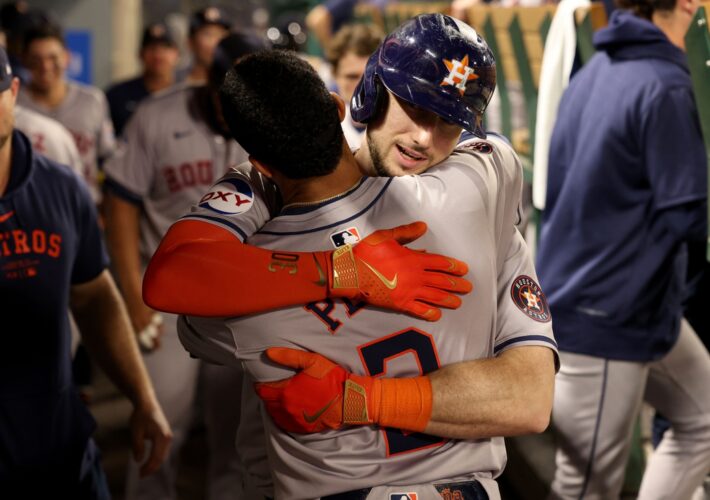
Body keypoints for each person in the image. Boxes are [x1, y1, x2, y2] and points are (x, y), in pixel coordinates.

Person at [151, 15, 557, 499]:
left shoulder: (255, 251)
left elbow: (530, 400)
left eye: (449, 122)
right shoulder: (485, 182)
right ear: (364, 94)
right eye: (413, 106)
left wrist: (356, 399)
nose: (425, 138)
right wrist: (343, 268)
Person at [535, 0, 710, 497]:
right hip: (605, 313)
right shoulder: (663, 82)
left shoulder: (598, 69)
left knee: (704, 417)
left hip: (611, 298)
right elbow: (690, 215)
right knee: (586, 487)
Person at [0, 45, 172, 497]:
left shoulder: (60, 188)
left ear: (13, 92)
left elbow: (94, 296)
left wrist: (143, 397)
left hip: (61, 452)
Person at [102, 32, 267, 500]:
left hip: (242, 306)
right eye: (221, 94)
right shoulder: (158, 115)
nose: (228, 107)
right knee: (157, 427)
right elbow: (119, 202)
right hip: (168, 301)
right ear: (207, 82)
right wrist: (133, 297)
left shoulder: (272, 120)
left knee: (237, 440)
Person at [18, 21, 115, 203]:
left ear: (66, 57)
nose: (45, 66)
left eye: (53, 58)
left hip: (85, 204)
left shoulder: (92, 100)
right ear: (24, 60)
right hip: (31, 207)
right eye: (36, 59)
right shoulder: (13, 105)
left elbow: (108, 160)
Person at [105, 21, 180, 137]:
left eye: (165, 48)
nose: (158, 55)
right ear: (140, 54)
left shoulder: (188, 96)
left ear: (176, 54)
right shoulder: (117, 96)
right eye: (152, 48)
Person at [325, 22, 383, 148]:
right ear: (335, 74)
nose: (361, 86)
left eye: (369, 77)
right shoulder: (322, 127)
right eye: (352, 77)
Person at [182, 6, 231, 86]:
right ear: (190, 42)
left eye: (221, 35)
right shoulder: (173, 83)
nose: (216, 42)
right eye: (208, 34)